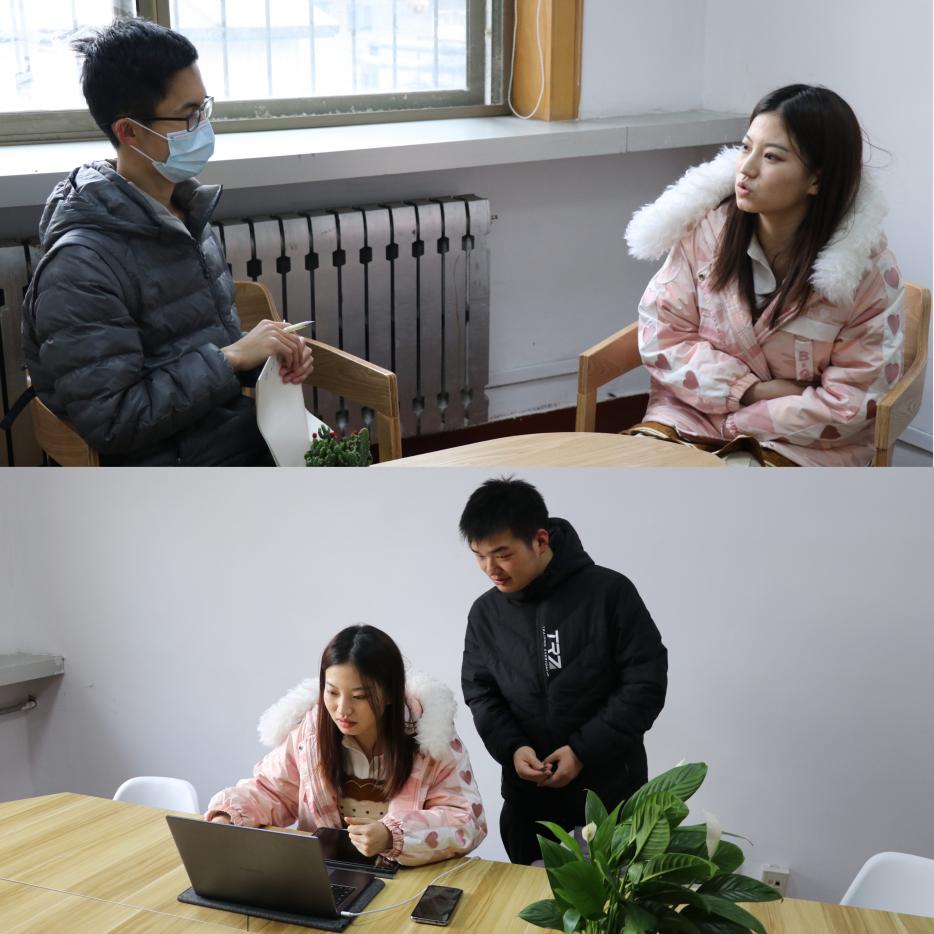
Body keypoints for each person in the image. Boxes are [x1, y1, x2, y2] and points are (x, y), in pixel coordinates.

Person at [20, 18, 313, 465]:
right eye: (188, 115)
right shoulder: (79, 268)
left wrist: (268, 356)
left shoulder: (183, 213)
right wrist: (233, 358)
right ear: (129, 132)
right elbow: (115, 420)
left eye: (204, 108)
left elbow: (191, 353)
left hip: (238, 439)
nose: (203, 127)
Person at [624, 84, 903, 467]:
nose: (747, 168)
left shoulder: (865, 273)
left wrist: (739, 422)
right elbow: (664, 335)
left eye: (771, 156)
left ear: (817, 179)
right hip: (688, 417)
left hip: (801, 444)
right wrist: (748, 390)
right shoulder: (706, 231)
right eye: (745, 147)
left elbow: (852, 402)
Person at [459, 478, 667, 865]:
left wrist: (583, 751)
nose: (490, 568)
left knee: (611, 900)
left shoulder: (610, 593)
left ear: (540, 540)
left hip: (610, 798)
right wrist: (513, 748)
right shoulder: (485, 614)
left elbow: (645, 684)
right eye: (479, 556)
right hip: (529, 805)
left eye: (503, 555)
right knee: (531, 899)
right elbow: (481, 694)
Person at [207, 625, 487, 866]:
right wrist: (228, 816)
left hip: (408, 882)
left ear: (391, 693)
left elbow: (467, 821)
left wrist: (392, 835)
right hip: (324, 876)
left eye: (359, 696)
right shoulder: (309, 735)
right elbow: (272, 790)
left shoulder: (431, 741)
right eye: (332, 692)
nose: (342, 709)